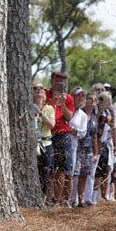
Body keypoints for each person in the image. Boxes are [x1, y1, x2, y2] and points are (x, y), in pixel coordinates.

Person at [46, 71, 74, 207]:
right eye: (58, 80)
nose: (60, 82)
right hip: (48, 135)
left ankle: (58, 201)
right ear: (52, 80)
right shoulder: (46, 94)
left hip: (63, 135)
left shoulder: (68, 98)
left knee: (62, 170)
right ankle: (48, 198)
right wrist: (54, 100)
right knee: (49, 168)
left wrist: (62, 104)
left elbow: (69, 118)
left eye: (63, 80)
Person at [32, 82, 55, 203]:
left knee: (46, 173)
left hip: (46, 144)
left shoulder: (49, 108)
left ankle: (44, 199)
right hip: (31, 145)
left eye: (41, 88)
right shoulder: (27, 107)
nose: (38, 90)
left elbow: (51, 125)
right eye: (35, 88)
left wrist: (40, 113)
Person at [69, 87, 88, 207]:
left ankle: (70, 200)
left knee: (71, 174)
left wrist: (74, 130)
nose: (80, 98)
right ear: (73, 97)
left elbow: (83, 133)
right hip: (61, 144)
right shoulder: (67, 109)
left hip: (73, 147)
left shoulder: (83, 115)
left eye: (83, 96)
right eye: (78, 95)